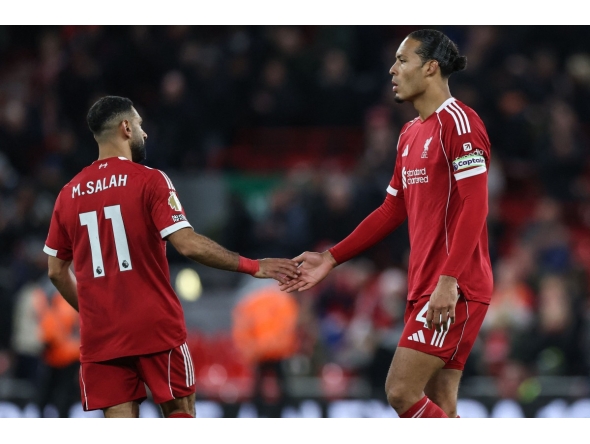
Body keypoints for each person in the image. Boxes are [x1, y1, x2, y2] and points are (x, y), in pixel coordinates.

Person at [43, 96, 301, 418]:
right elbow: (188, 244)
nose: (144, 133)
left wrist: (95, 313)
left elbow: (56, 271)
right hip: (154, 326)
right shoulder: (150, 180)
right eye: (139, 125)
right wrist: (253, 265)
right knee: (179, 413)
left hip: (102, 335)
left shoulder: (68, 194)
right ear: (126, 128)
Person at [281, 29, 493, 418]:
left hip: (454, 285)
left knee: (399, 390)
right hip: (425, 286)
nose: (392, 69)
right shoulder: (409, 133)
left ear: (430, 69)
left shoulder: (460, 124)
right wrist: (331, 258)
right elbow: (391, 211)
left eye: (403, 60)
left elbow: (475, 207)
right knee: (442, 404)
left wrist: (448, 282)